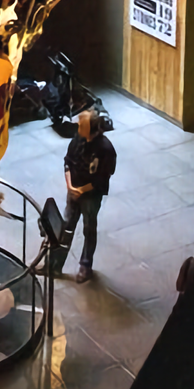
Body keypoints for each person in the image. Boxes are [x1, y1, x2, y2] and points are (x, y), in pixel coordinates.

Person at [62, 108, 116, 284]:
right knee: (65, 227)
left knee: (89, 229)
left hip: (90, 196)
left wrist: (81, 191)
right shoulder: (77, 138)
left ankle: (86, 266)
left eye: (81, 124)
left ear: (91, 129)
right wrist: (70, 187)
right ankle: (54, 264)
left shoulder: (106, 150)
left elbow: (102, 179)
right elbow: (67, 162)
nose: (77, 125)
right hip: (73, 191)